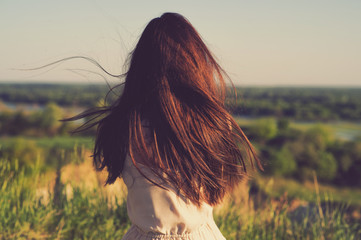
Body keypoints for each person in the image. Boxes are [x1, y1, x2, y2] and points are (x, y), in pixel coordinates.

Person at [70, 12, 260, 240]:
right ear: (195, 65)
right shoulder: (213, 126)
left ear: (140, 67)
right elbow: (216, 195)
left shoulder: (123, 126)